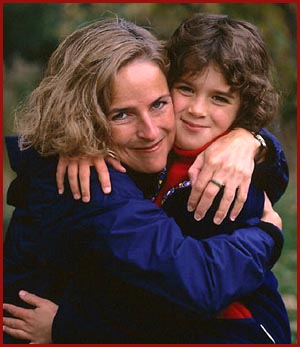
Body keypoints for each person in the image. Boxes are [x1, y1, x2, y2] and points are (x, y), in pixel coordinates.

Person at [3, 17, 288, 344]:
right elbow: (190, 289)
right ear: (83, 116)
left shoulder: (200, 167)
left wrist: (252, 142)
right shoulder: (94, 188)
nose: (151, 132)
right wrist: (267, 234)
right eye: (121, 114)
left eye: (158, 104)